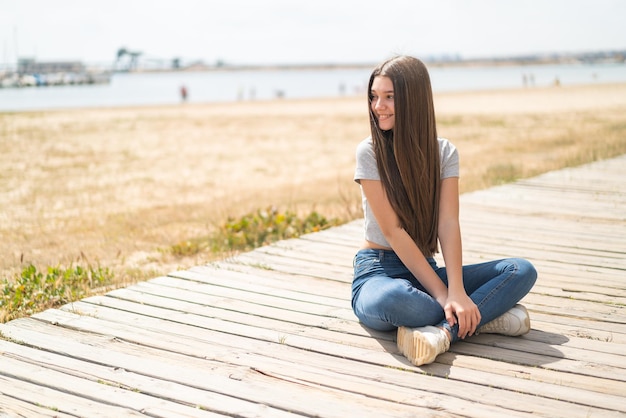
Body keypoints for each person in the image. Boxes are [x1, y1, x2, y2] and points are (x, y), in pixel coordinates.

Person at [351, 55, 537, 366]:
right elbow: (393, 232)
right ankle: (483, 318)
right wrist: (445, 296)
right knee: (394, 299)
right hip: (378, 272)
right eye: (373, 96)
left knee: (521, 270)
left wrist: (457, 291)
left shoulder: (444, 153)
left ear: (414, 99)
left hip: (425, 269)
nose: (377, 106)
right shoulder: (369, 152)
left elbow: (448, 223)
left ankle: (445, 332)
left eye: (388, 97)